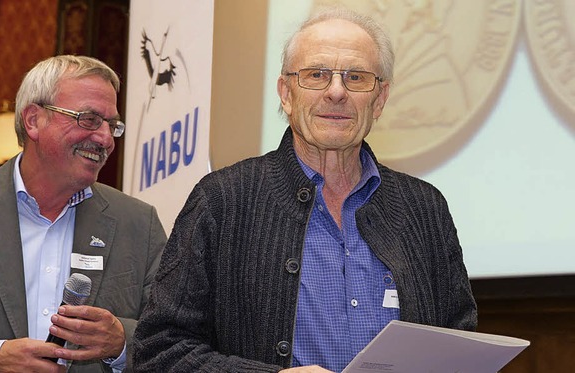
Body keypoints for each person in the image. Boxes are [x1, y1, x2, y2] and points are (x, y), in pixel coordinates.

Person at [131, 7, 477, 372]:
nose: (337, 92)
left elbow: (459, 341)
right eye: (317, 75)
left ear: (379, 99)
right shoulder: (223, 200)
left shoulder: (425, 208)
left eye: (356, 77)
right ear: (286, 93)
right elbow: (159, 351)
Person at [0, 55, 166, 372]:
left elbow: (173, 339)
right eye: (88, 119)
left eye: (112, 125)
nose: (104, 139)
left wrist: (122, 342)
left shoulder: (139, 224)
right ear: (33, 120)